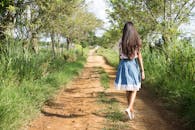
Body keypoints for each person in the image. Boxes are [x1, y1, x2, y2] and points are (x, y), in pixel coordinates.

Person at [115, 21, 145, 120]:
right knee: (135, 87)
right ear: (133, 30)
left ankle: (130, 109)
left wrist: (119, 67)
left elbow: (119, 56)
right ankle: (129, 107)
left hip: (123, 64)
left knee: (128, 88)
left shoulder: (121, 41)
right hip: (132, 65)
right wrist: (142, 70)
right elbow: (139, 56)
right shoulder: (137, 40)